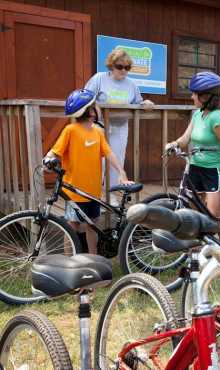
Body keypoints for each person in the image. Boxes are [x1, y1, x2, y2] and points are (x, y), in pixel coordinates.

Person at [44, 89, 134, 255]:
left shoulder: (98, 132)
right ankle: (68, 260)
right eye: (95, 106)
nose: (97, 109)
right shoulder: (70, 130)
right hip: (73, 191)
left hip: (93, 191)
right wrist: (48, 158)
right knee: (72, 226)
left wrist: (122, 173)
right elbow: (55, 151)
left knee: (93, 224)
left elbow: (109, 153)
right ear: (89, 111)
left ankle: (93, 258)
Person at [85, 48, 154, 206]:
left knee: (117, 160)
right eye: (120, 66)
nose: (123, 70)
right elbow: (87, 97)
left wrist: (145, 103)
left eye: (127, 67)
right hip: (99, 127)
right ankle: (94, 195)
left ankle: (110, 195)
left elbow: (138, 101)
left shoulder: (131, 84)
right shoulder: (99, 79)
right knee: (98, 162)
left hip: (120, 127)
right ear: (111, 65)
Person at [165, 71, 220, 218]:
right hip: (195, 167)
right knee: (191, 214)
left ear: (205, 97)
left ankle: (214, 240)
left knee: (210, 217)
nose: (191, 97)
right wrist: (175, 144)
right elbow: (186, 138)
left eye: (194, 94)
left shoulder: (216, 118)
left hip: (213, 171)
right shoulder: (197, 114)